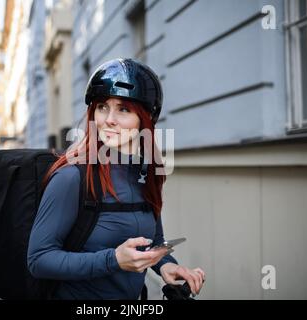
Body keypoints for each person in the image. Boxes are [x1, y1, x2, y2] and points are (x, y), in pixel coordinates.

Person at [27, 58, 205, 300]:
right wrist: (113, 260)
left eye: (123, 109)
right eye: (102, 107)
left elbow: (153, 242)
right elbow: (39, 259)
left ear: (145, 119)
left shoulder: (145, 174)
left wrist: (166, 265)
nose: (109, 119)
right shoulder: (72, 177)